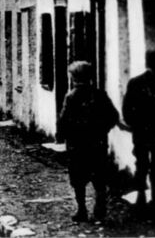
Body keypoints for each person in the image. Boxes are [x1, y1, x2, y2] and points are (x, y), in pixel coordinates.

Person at [56, 61, 119, 223]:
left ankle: (82, 210)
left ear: (74, 77)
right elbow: (113, 116)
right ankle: (100, 206)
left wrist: (62, 136)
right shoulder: (99, 94)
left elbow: (63, 121)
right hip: (97, 143)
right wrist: (102, 129)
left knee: (78, 178)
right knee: (99, 176)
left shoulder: (71, 97)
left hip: (77, 145)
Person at [123, 49, 155, 217]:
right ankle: (147, 197)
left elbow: (127, 110)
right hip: (151, 132)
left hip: (151, 133)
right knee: (151, 165)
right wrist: (136, 125)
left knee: (147, 165)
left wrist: (134, 125)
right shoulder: (141, 83)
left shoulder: (139, 82)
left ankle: (147, 197)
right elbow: (127, 110)